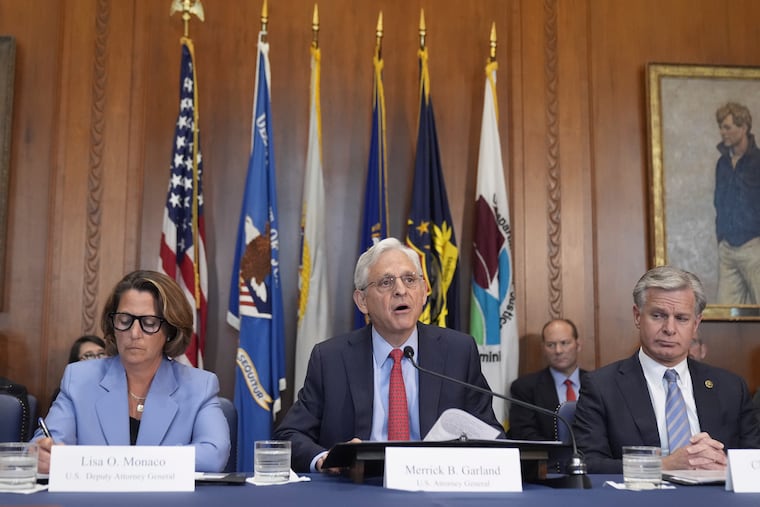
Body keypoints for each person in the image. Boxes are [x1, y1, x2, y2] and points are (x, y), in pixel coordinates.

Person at [274, 238, 503, 473]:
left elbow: (490, 434)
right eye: (386, 282)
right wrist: (324, 458)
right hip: (358, 489)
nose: (401, 290)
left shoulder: (458, 352)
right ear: (362, 301)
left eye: (410, 279)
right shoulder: (331, 358)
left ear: (424, 292)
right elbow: (289, 434)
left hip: (435, 486)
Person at [33, 270, 230, 473]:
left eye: (149, 323)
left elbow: (214, 454)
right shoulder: (80, 379)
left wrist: (129, 463)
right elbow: (49, 440)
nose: (134, 334)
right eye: (125, 320)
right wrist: (42, 453)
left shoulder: (199, 386)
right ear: (113, 324)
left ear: (170, 330)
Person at [573, 265, 760, 473]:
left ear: (696, 323)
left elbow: (754, 458)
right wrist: (663, 466)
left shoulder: (731, 388)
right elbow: (587, 463)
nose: (669, 329)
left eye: (681, 318)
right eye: (658, 316)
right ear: (637, 316)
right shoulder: (602, 386)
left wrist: (726, 465)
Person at [508, 318, 586, 441]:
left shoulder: (598, 383)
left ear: (578, 345)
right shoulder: (525, 388)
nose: (558, 351)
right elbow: (524, 433)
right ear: (543, 348)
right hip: (548, 458)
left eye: (564, 343)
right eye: (551, 345)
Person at [713, 102, 760, 305]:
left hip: (753, 247)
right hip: (727, 249)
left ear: (744, 127)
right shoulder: (722, 164)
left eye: (727, 127)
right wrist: (721, 237)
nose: (723, 132)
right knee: (726, 311)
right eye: (721, 127)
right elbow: (718, 202)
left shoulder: (758, 161)